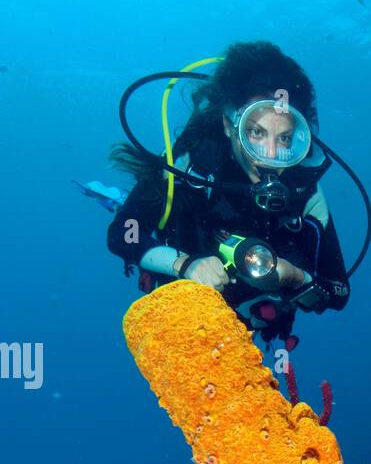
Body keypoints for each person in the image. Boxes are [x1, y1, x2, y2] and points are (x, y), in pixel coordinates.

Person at [108, 42, 350, 341]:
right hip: (190, 303)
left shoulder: (305, 189)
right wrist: (186, 265)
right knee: (128, 208)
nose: (269, 155)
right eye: (257, 132)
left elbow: (338, 292)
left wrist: (292, 274)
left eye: (285, 138)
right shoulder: (191, 163)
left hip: (254, 316)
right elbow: (122, 234)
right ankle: (115, 198)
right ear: (228, 124)